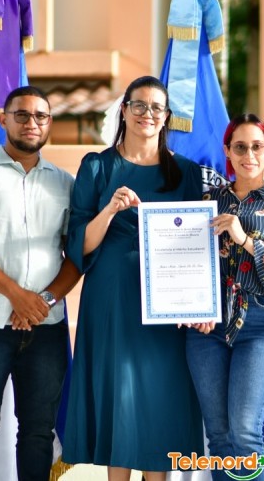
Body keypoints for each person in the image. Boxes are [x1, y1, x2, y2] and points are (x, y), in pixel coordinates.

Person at [61, 76, 204, 480]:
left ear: (167, 117)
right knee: (119, 401)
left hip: (167, 306)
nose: (147, 114)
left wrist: (196, 301)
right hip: (113, 301)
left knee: (161, 404)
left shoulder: (187, 173)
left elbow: (197, 243)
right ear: (123, 110)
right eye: (139, 105)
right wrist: (109, 210)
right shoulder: (97, 166)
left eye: (157, 107)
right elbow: (79, 246)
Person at [0, 85, 80, 481]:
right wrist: (17, 297)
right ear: (3, 119)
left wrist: (41, 302)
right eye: (21, 114)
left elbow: (75, 256)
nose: (31, 123)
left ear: (50, 123)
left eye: (40, 116)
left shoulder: (64, 182)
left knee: (38, 433)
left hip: (46, 327)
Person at [186, 114, 264, 480]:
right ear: (227, 151)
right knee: (219, 435)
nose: (249, 155)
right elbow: (186, 261)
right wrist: (192, 305)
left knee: (245, 430)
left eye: (257, 146)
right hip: (206, 328)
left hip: (259, 323)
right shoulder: (206, 201)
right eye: (240, 147)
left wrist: (245, 239)